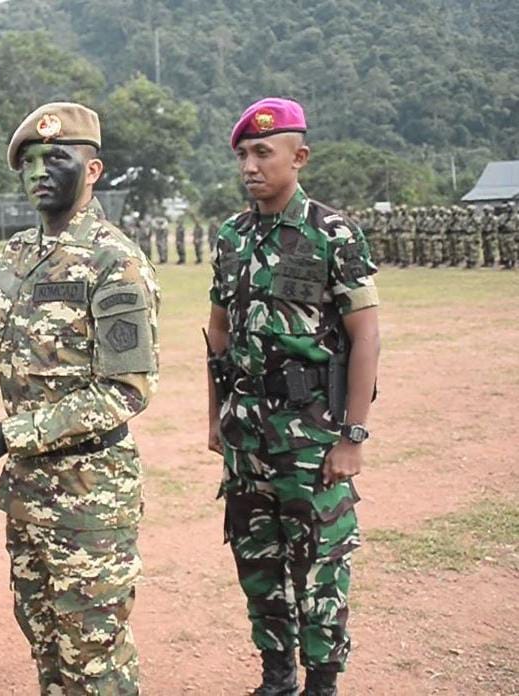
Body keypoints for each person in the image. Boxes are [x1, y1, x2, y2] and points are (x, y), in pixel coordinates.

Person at [0, 102, 160, 694]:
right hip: (29, 493)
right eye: (31, 161)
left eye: (57, 158)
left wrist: (7, 435)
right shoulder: (19, 252)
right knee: (45, 641)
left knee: (93, 656)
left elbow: (125, 390)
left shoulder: (115, 262)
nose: (40, 171)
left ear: (93, 171)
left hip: (90, 498)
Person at [207, 98, 380, 696]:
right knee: (257, 564)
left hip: (312, 434)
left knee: (320, 568)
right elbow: (218, 332)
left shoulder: (333, 233)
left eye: (263, 152)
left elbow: (365, 336)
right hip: (246, 436)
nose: (250, 166)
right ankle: (275, 678)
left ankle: (322, 684)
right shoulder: (231, 236)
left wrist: (352, 436)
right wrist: (215, 417)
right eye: (243, 155)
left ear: (299, 157)